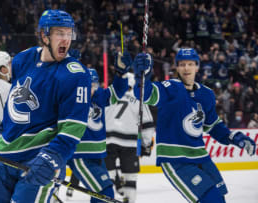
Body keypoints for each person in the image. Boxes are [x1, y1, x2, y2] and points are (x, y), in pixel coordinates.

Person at [0, 10, 91, 203]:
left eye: (68, 33)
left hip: (38, 160)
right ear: (44, 36)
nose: (66, 39)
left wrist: (52, 157)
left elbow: (73, 128)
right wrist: (0, 132)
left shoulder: (76, 75)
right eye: (59, 33)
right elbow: (14, 100)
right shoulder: (23, 59)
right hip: (3, 159)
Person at [132, 48, 256, 203]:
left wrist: (235, 138)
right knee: (210, 199)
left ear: (197, 66)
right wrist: (141, 76)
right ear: (176, 67)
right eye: (182, 64)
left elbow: (213, 126)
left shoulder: (207, 94)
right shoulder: (170, 87)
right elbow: (145, 94)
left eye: (190, 64)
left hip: (201, 157)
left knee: (219, 198)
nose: (186, 68)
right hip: (176, 159)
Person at [66, 48, 130, 202]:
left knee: (102, 194)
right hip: (79, 156)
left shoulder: (100, 96)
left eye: (94, 84)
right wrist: (68, 64)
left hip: (97, 155)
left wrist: (121, 74)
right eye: (88, 84)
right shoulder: (72, 97)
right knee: (104, 193)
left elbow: (117, 92)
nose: (91, 88)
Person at [104, 72, 155, 203]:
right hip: (130, 143)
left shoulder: (109, 94)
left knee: (106, 177)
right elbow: (148, 125)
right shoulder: (139, 99)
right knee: (130, 178)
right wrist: (146, 145)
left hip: (107, 140)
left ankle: (112, 186)